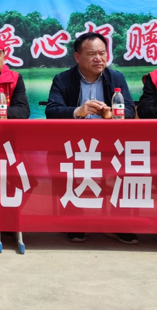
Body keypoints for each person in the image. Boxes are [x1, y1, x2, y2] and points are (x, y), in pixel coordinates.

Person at [44, 32, 137, 244]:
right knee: (60, 163)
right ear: (77, 57)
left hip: (109, 143)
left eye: (102, 53)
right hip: (73, 145)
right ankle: (75, 221)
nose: (99, 58)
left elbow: (129, 110)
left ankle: (117, 223)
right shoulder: (62, 79)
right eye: (92, 54)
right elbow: (52, 110)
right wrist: (79, 111)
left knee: (127, 165)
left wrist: (111, 114)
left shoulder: (116, 78)